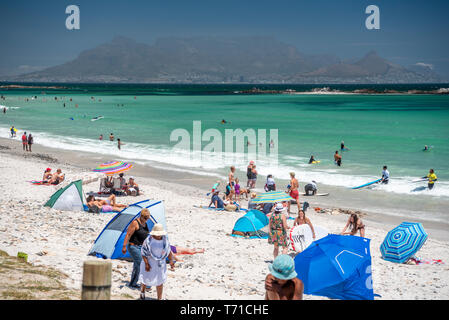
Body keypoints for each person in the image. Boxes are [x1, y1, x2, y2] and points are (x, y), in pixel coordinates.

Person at [139, 224, 175, 300]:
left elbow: (168, 251)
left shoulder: (165, 240)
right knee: (146, 279)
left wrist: (171, 261)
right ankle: (142, 291)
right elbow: (143, 252)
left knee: (160, 281)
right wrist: (146, 264)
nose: (159, 236)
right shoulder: (148, 240)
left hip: (160, 264)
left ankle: (159, 298)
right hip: (149, 263)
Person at [122, 208, 150, 288]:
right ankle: (145, 284)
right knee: (142, 263)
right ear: (141, 216)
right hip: (133, 246)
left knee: (137, 265)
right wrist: (124, 246)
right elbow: (128, 234)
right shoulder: (135, 223)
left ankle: (133, 283)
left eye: (147, 218)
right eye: (145, 218)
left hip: (142, 247)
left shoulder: (145, 223)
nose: (146, 219)